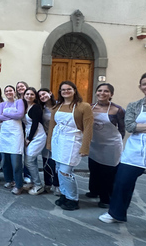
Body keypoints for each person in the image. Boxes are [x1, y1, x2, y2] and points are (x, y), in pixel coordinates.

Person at [99, 72, 146, 240]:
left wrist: (144, 126)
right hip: (136, 150)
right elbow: (131, 127)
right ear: (140, 87)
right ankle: (116, 213)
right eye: (145, 84)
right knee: (122, 181)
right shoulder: (135, 105)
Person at [47, 81, 93, 211]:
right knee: (58, 170)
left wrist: (85, 147)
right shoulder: (57, 107)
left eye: (68, 89)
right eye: (63, 90)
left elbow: (88, 128)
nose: (65, 92)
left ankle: (73, 198)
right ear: (60, 93)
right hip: (58, 140)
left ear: (74, 90)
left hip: (73, 141)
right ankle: (64, 195)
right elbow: (52, 126)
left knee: (65, 171)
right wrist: (49, 143)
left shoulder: (84, 106)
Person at [86, 83, 125, 208]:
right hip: (95, 144)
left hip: (111, 145)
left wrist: (117, 142)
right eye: (100, 90)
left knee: (108, 173)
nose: (102, 93)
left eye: (106, 91)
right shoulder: (90, 107)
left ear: (111, 94)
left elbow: (122, 129)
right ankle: (94, 191)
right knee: (94, 169)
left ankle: (106, 198)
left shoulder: (117, 110)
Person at [0, 85, 25, 194]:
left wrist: (6, 114)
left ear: (14, 92)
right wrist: (13, 115)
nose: (9, 92)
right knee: (5, 161)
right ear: (4, 93)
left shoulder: (19, 102)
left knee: (16, 162)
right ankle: (9, 180)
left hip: (16, 135)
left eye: (10, 90)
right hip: (5, 134)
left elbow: (20, 115)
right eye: (6, 91)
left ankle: (19, 185)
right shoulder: (2, 104)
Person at [22, 87, 47, 195]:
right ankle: (33, 181)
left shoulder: (36, 107)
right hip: (30, 133)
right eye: (27, 94)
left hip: (37, 135)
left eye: (32, 94)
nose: (29, 96)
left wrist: (29, 138)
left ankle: (38, 185)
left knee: (29, 160)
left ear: (35, 96)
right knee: (31, 160)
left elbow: (35, 124)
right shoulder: (25, 106)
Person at [38, 88, 60, 195]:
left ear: (50, 93)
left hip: (59, 138)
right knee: (46, 161)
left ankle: (57, 184)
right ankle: (47, 183)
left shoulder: (59, 106)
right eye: (40, 96)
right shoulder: (41, 108)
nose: (42, 97)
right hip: (46, 137)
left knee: (56, 161)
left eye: (44, 94)